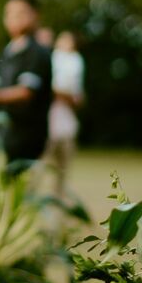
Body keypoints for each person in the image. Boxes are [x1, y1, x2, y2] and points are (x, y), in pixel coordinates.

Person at [0, 0, 53, 167]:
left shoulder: (37, 53)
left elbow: (25, 92)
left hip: (27, 137)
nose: (14, 18)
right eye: (9, 14)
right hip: (2, 135)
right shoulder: (5, 53)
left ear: (35, 15)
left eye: (20, 13)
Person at [46, 30, 85, 198]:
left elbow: (77, 97)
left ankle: (58, 203)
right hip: (48, 125)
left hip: (65, 126)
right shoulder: (51, 58)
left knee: (62, 172)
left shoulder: (75, 61)